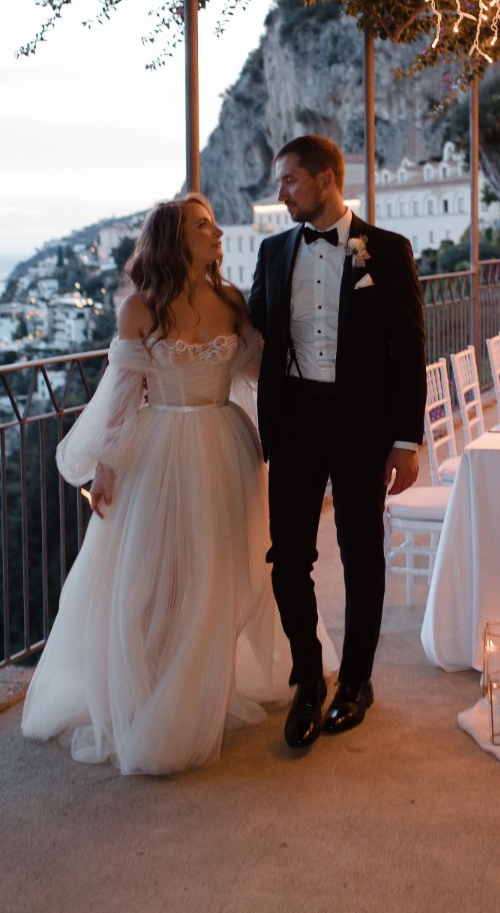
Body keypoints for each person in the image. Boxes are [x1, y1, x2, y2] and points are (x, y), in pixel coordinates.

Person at [21, 193, 303, 775]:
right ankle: (150, 692)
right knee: (156, 578)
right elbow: (122, 397)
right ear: (177, 238)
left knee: (218, 572)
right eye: (204, 225)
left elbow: (256, 372)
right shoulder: (141, 310)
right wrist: (105, 466)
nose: (217, 231)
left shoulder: (230, 301)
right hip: (160, 452)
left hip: (225, 446)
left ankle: (194, 698)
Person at [249, 135, 426, 749]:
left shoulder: (389, 250)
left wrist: (407, 440)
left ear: (325, 180)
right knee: (289, 558)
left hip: (361, 426)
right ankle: (307, 679)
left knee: (361, 554)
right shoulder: (273, 253)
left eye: (290, 182)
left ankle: (356, 682)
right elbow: (249, 325)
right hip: (294, 421)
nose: (281, 194)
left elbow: (409, 352)